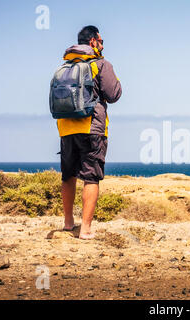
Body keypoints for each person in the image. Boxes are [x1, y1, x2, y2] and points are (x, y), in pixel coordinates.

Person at [58, 25, 122, 239]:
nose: (103, 45)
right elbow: (113, 94)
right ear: (93, 41)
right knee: (91, 177)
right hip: (91, 128)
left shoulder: (66, 65)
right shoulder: (100, 64)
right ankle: (85, 229)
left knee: (68, 175)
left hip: (66, 128)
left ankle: (68, 223)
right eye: (101, 41)